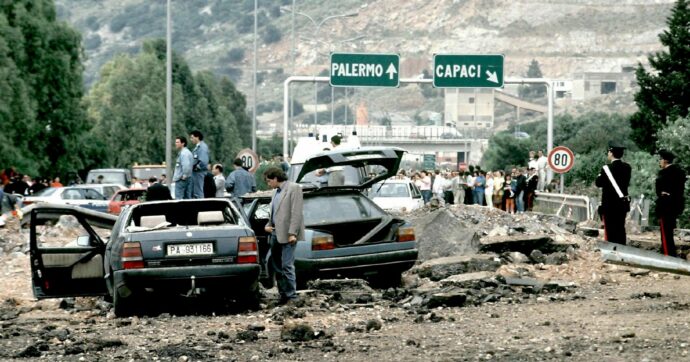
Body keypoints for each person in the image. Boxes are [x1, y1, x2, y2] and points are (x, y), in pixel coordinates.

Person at [264, 167, 304, 304]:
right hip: (275, 233)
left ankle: (291, 296)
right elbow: (274, 211)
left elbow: (296, 212)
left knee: (287, 265)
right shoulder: (275, 192)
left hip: (288, 234)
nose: (269, 184)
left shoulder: (294, 188)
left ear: (275, 178)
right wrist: (268, 225)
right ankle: (283, 295)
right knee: (277, 266)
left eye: (269, 181)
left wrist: (293, 233)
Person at [595, 141, 631, 245]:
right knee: (620, 228)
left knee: (610, 230)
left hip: (609, 205)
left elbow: (598, 183)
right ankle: (622, 249)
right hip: (622, 204)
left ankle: (612, 251)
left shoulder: (606, 168)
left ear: (611, 153)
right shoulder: (627, 168)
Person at [655, 149, 686, 257]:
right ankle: (668, 251)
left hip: (665, 205)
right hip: (676, 205)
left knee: (665, 232)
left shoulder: (664, 174)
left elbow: (659, 190)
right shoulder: (680, 172)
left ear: (665, 160)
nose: (660, 162)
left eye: (661, 159)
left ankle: (668, 254)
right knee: (669, 231)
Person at [189, 130, 210, 199]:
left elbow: (203, 161)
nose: (191, 140)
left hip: (199, 172)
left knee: (198, 192)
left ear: (197, 137)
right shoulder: (197, 147)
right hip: (195, 173)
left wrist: (196, 167)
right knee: (195, 192)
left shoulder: (202, 147)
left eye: (192, 137)